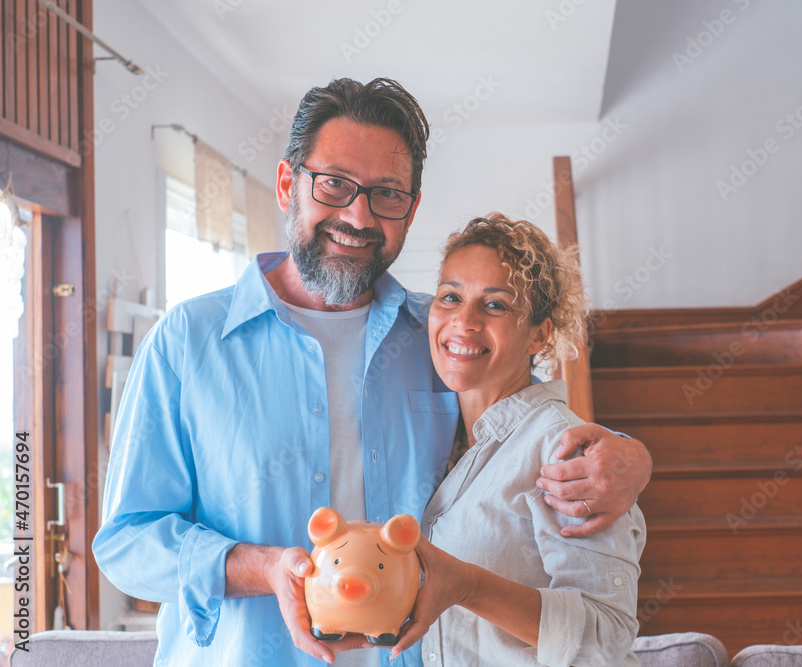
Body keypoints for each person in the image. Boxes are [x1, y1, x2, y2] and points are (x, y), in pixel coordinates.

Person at [93, 78, 652, 667]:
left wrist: (633, 459)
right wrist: (266, 568)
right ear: (289, 184)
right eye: (334, 183)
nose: (357, 215)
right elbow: (128, 544)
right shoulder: (187, 341)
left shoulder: (440, 340)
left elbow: (531, 434)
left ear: (410, 209)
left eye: (385, 193)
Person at [388, 214, 645, 666]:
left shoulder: (564, 451)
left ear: (538, 335)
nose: (463, 321)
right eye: (451, 297)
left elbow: (607, 634)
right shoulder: (436, 439)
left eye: (496, 305)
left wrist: (469, 586)